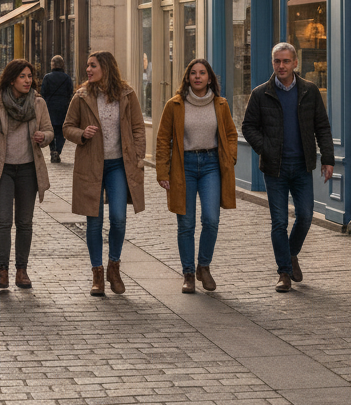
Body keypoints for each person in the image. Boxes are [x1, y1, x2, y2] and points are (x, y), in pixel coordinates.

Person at [241, 41, 335, 293]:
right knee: (279, 221)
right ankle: (284, 272)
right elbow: (248, 127)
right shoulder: (261, 93)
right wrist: (266, 148)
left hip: (302, 165)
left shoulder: (309, 91)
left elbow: (322, 126)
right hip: (275, 169)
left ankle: (290, 254)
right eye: (277, 61)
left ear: (295, 63)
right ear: (273, 63)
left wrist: (328, 159)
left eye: (285, 61)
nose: (281, 66)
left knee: (305, 216)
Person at [63, 50, 146, 297]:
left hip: (119, 165)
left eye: (93, 66)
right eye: (87, 66)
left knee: (119, 217)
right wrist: (82, 134)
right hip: (91, 165)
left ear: (106, 68)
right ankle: (97, 273)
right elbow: (67, 127)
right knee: (94, 220)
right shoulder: (81, 96)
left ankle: (114, 267)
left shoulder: (127, 94)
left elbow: (138, 128)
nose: (88, 70)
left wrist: (137, 156)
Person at [0, 58, 52, 290]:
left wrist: (44, 137)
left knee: (24, 222)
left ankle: (21, 270)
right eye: (22, 76)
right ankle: (2, 270)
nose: (28, 80)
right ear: (11, 79)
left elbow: (49, 130)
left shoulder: (38, 103)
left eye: (30, 76)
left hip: (28, 170)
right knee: (3, 221)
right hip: (1, 169)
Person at [156, 59, 238, 293]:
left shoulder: (220, 104)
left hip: (212, 164)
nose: (198, 77)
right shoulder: (175, 105)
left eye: (202, 73)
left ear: (209, 78)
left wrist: (230, 158)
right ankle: (189, 274)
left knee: (211, 219)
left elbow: (231, 134)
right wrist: (162, 171)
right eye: (193, 73)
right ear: (188, 77)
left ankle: (204, 266)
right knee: (186, 223)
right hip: (184, 166)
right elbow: (163, 139)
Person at [40, 55, 74, 164]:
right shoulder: (67, 78)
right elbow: (70, 92)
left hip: (50, 107)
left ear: (52, 65)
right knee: (61, 131)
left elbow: (43, 93)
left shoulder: (47, 77)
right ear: (62, 65)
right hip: (63, 107)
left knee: (51, 130)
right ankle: (58, 150)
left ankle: (52, 149)